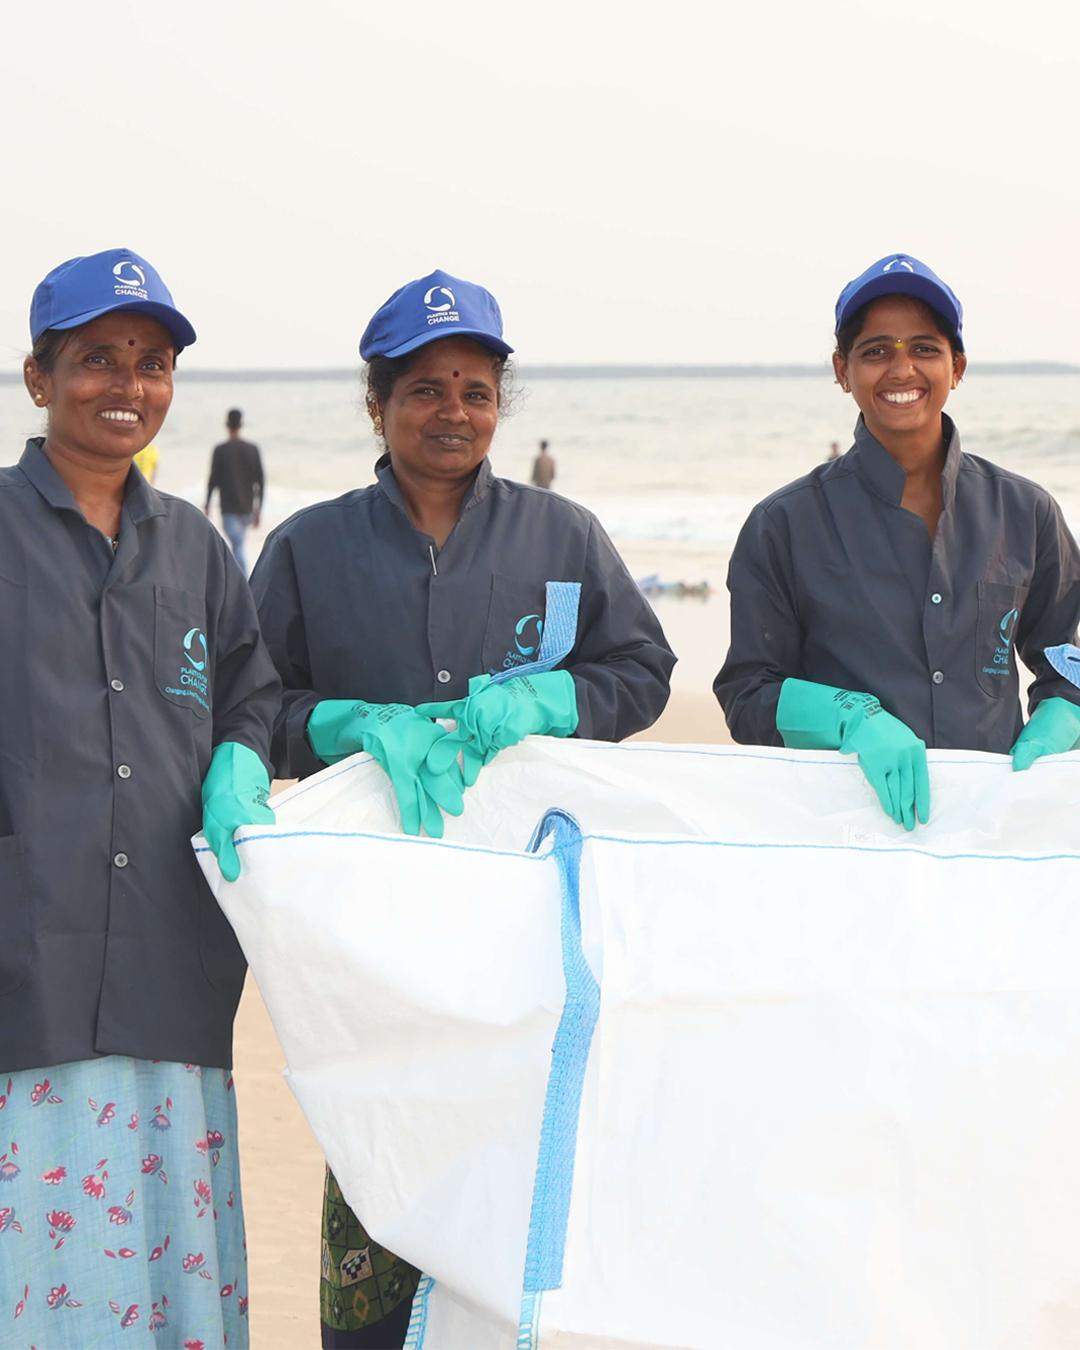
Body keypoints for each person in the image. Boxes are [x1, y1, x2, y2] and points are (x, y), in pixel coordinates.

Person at [249, 267, 675, 1347]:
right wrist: (347, 724)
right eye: (427, 389)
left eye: (477, 390)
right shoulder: (308, 547)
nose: (454, 411)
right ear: (377, 405)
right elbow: (250, 709)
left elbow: (644, 669)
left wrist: (559, 694)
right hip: (372, 922)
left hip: (527, 915)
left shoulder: (562, 535)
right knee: (376, 1144)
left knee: (519, 1153)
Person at [1, 248, 280, 1348]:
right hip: (27, 957)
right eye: (97, 359)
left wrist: (238, 755)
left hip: (173, 958)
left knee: (165, 1264)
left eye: (153, 362)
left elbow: (251, 690)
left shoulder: (196, 549)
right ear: (39, 377)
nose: (128, 383)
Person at [715, 252, 1080, 830]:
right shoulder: (782, 525)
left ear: (957, 367)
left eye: (925, 349)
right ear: (843, 370)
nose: (901, 369)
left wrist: (1062, 716)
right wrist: (850, 720)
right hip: (840, 833)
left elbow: (1068, 655)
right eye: (876, 350)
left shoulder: (1026, 512)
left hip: (994, 832)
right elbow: (746, 693)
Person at [205, 407, 265, 575]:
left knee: (237, 545)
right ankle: (241, 581)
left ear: (227, 426)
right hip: (247, 507)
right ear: (241, 425)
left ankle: (244, 583)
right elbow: (260, 481)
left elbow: (213, 480)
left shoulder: (220, 450)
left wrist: (208, 503)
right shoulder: (252, 449)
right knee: (238, 544)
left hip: (229, 508)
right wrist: (259, 508)